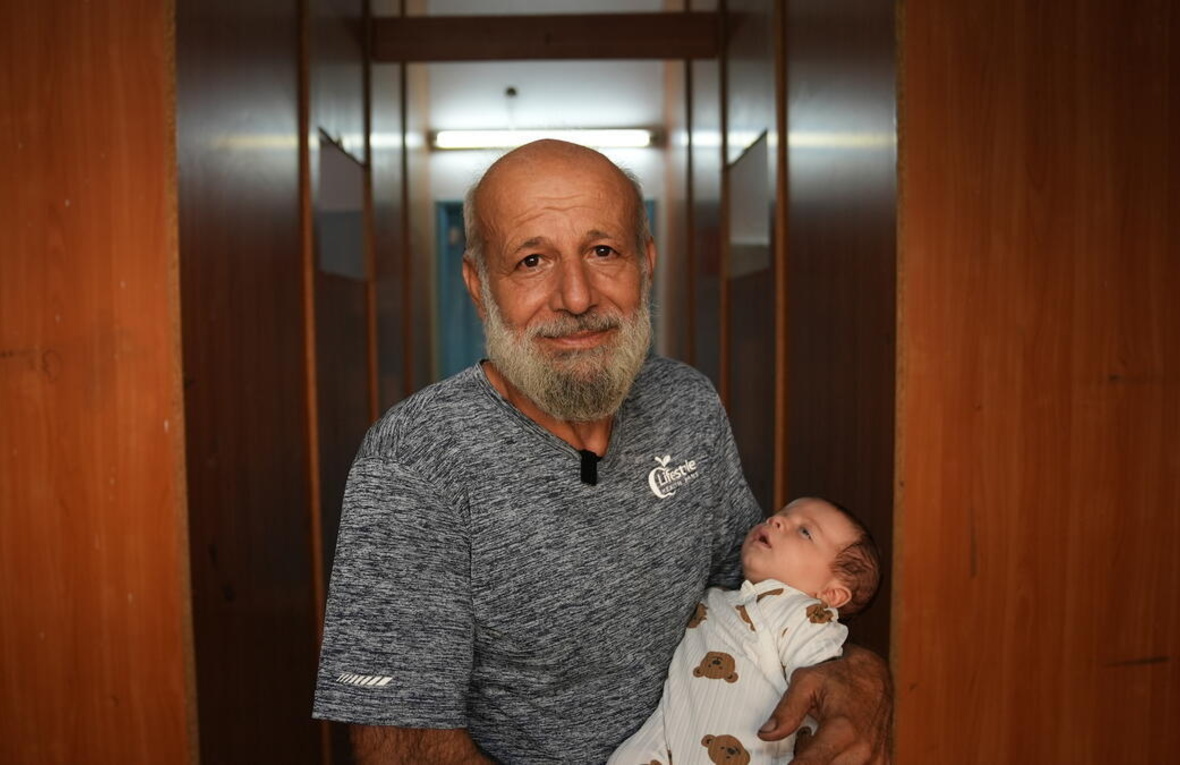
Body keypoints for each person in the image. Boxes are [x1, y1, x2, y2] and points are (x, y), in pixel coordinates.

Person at [312, 139, 891, 764]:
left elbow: (756, 585)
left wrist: (861, 673)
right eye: (532, 260)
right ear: (480, 285)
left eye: (602, 251)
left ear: (645, 261)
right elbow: (403, 742)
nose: (578, 297)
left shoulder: (686, 403)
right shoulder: (416, 458)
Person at [607, 497, 882, 765]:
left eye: (805, 531)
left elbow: (827, 678)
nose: (776, 520)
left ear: (831, 594)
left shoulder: (804, 615)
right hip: (672, 739)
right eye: (780, 514)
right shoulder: (716, 598)